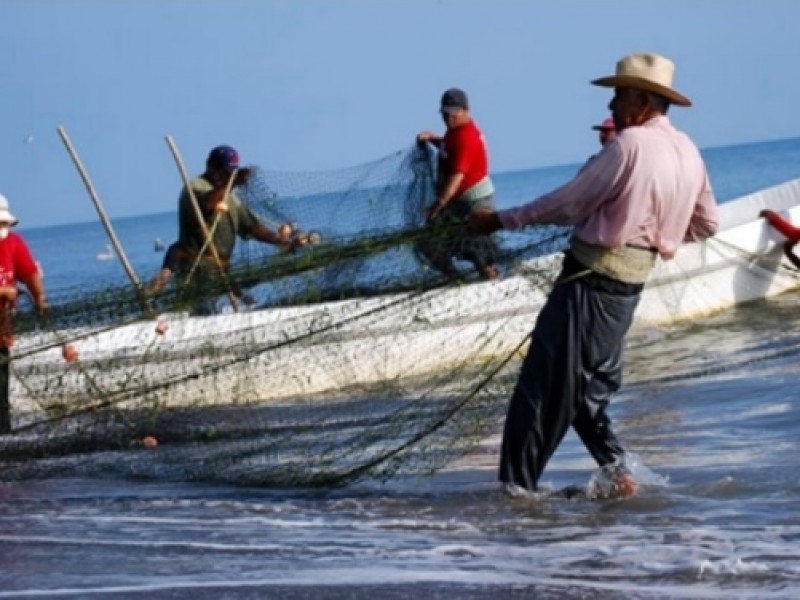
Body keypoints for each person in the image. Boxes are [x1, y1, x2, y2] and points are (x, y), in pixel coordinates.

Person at [469, 53, 719, 497]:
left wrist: (501, 220)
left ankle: (515, 495)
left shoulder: (629, 145)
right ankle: (621, 476)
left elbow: (569, 204)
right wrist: (655, 226)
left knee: (541, 390)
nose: (611, 107)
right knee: (584, 394)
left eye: (619, 96)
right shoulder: (688, 151)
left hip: (588, 283)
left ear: (642, 100)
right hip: (626, 291)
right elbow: (705, 225)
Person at [171, 145, 293, 314]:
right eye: (223, 171)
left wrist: (280, 241)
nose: (226, 176)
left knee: (241, 305)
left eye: (231, 172)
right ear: (210, 166)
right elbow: (205, 205)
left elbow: (251, 226)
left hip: (221, 273)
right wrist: (233, 182)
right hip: (197, 271)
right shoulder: (194, 186)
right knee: (203, 312)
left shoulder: (231, 196)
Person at [415, 88, 500, 280]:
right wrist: (433, 139)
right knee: (427, 243)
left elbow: (456, 178)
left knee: (481, 253)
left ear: (466, 110)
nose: (448, 117)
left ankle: (493, 285)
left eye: (453, 113)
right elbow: (449, 147)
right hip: (457, 203)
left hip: (476, 203)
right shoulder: (455, 132)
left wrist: (437, 206)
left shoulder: (467, 137)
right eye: (445, 113)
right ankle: (456, 279)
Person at [0, 193, 47, 434]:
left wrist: (39, 296)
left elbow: (29, 272)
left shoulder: (13, 243)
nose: (2, 228)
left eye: (4, 223)